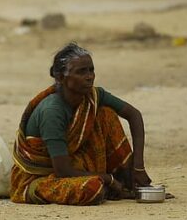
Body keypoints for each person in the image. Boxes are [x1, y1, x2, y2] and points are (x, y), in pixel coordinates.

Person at [10, 42, 152, 205]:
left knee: (106, 114)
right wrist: (108, 179)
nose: (89, 76)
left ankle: (129, 182)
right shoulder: (52, 111)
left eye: (91, 70)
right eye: (81, 72)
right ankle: (111, 184)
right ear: (61, 77)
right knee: (91, 188)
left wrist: (138, 167)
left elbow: (134, 115)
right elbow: (62, 171)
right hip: (40, 177)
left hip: (72, 166)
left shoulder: (93, 96)